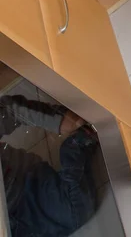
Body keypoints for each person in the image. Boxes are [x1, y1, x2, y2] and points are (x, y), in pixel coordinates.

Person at [0, 94, 98, 236]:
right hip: (10, 224)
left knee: (76, 211)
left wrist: (58, 120)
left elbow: (10, 110)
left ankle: (76, 144)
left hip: (25, 184)